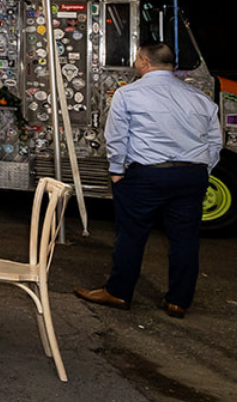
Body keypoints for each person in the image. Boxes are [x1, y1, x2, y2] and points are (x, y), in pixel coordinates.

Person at [75, 42, 222, 318]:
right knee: (185, 240)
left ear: (143, 61)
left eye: (136, 59)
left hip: (147, 174)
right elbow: (214, 142)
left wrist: (117, 171)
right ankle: (179, 301)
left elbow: (117, 138)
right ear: (171, 65)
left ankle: (118, 292)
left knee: (131, 235)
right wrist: (203, 171)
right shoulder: (201, 98)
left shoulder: (128, 94)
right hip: (192, 174)